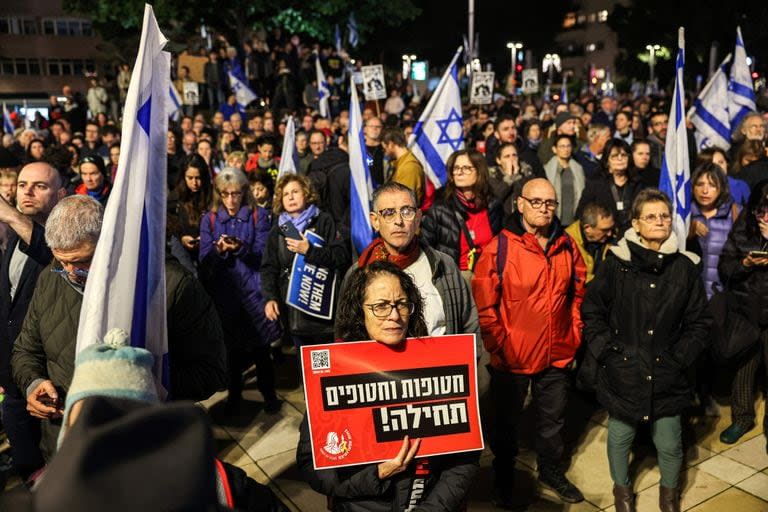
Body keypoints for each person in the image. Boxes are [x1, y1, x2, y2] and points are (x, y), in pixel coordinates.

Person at [12, 195, 228, 460]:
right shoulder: (49, 278)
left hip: (143, 449)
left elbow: (211, 370)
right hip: (68, 448)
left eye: (82, 262)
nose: (70, 272)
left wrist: (135, 383)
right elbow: (25, 350)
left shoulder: (172, 286)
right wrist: (33, 383)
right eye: (62, 262)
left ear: (108, 242)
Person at [2, 328, 287, 512]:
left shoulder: (221, 484)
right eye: (88, 417)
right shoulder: (45, 495)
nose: (101, 433)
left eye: (115, 417)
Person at [297, 261, 480, 511]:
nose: (394, 315)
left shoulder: (439, 363)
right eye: (381, 306)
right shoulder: (334, 375)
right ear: (359, 311)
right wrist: (378, 473)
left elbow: (465, 457)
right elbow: (313, 468)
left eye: (401, 304)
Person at [582, 188, 711, 512]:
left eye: (665, 216)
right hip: (623, 371)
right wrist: (608, 353)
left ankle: (669, 496)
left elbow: (700, 323)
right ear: (636, 224)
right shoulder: (617, 264)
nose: (660, 221)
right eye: (651, 216)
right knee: (620, 437)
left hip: (668, 371)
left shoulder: (684, 268)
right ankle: (622, 492)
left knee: (669, 442)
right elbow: (592, 310)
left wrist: (679, 358)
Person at [472, 178, 587, 506]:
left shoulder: (566, 244)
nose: (544, 209)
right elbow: (485, 306)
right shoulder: (499, 248)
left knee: (553, 422)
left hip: (557, 352)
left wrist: (574, 330)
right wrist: (499, 346)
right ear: (519, 204)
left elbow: (578, 291)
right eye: (536, 202)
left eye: (550, 203)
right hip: (513, 357)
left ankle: (550, 470)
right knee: (505, 424)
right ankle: (504, 477)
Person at [0, 162, 66, 480]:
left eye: (39, 185)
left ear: (61, 194)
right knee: (27, 468)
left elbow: (56, 257)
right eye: (22, 183)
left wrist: (12, 215)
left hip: (50, 384)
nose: (26, 191)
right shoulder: (15, 235)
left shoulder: (69, 240)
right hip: (14, 377)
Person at [349, 182, 480, 339]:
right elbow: (345, 334)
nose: (399, 220)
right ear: (375, 221)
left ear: (418, 219)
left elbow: (470, 327)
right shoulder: (360, 272)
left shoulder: (444, 265)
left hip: (441, 361)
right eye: (389, 213)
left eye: (406, 211)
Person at [199, 168, 280, 413]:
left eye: (236, 194)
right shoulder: (210, 219)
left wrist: (240, 247)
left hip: (254, 291)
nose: (231, 200)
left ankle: (269, 396)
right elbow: (204, 261)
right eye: (226, 194)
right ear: (219, 195)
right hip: (226, 294)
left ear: (244, 193)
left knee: (261, 349)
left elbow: (264, 254)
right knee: (231, 351)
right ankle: (234, 396)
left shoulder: (259, 216)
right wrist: (219, 250)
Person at [261, 175, 350, 348]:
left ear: (306, 194)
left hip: (323, 315)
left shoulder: (323, 220)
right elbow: (268, 269)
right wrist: (270, 298)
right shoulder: (280, 229)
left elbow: (341, 256)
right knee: (304, 368)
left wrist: (309, 251)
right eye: (286, 194)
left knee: (325, 367)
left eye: (295, 191)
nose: (291, 197)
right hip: (293, 314)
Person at [717, 180, 768, 445]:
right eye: (762, 210)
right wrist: (745, 263)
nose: (766, 216)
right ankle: (742, 418)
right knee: (744, 368)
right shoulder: (743, 229)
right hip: (745, 311)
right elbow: (725, 268)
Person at [421, 149, 502, 281]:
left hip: (488, 278)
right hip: (455, 280)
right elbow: (425, 250)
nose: (459, 172)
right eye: (456, 168)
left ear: (479, 171)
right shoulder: (440, 210)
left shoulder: (493, 206)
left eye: (466, 168)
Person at [576, 139, 642, 235]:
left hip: (633, 234)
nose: (620, 159)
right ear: (607, 161)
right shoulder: (595, 183)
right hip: (604, 236)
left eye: (623, 155)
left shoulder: (638, 183)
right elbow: (581, 213)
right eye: (614, 156)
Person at [174, 154, 212, 263]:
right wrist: (181, 238)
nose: (194, 183)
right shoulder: (176, 197)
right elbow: (171, 224)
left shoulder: (212, 196)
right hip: (183, 251)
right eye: (190, 178)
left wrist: (206, 237)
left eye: (198, 178)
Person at [565, 202, 615, 283]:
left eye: (611, 228)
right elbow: (575, 276)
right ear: (587, 228)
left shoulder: (614, 238)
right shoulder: (567, 243)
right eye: (604, 230)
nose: (610, 234)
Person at [543, 133, 585, 226]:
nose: (566, 149)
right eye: (562, 146)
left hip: (573, 219)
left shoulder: (578, 169)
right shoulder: (547, 170)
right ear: (554, 149)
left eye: (568, 146)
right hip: (554, 219)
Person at [488, 142, 536, 219]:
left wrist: (516, 175)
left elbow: (528, 194)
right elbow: (497, 196)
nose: (512, 159)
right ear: (498, 160)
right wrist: (509, 177)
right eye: (507, 156)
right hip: (502, 221)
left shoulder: (527, 173)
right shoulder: (493, 176)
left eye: (514, 155)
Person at [380, 127, 425, 205]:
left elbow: (404, 201)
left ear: (391, 144)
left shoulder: (409, 167)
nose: (385, 153)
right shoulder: (400, 164)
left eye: (384, 149)